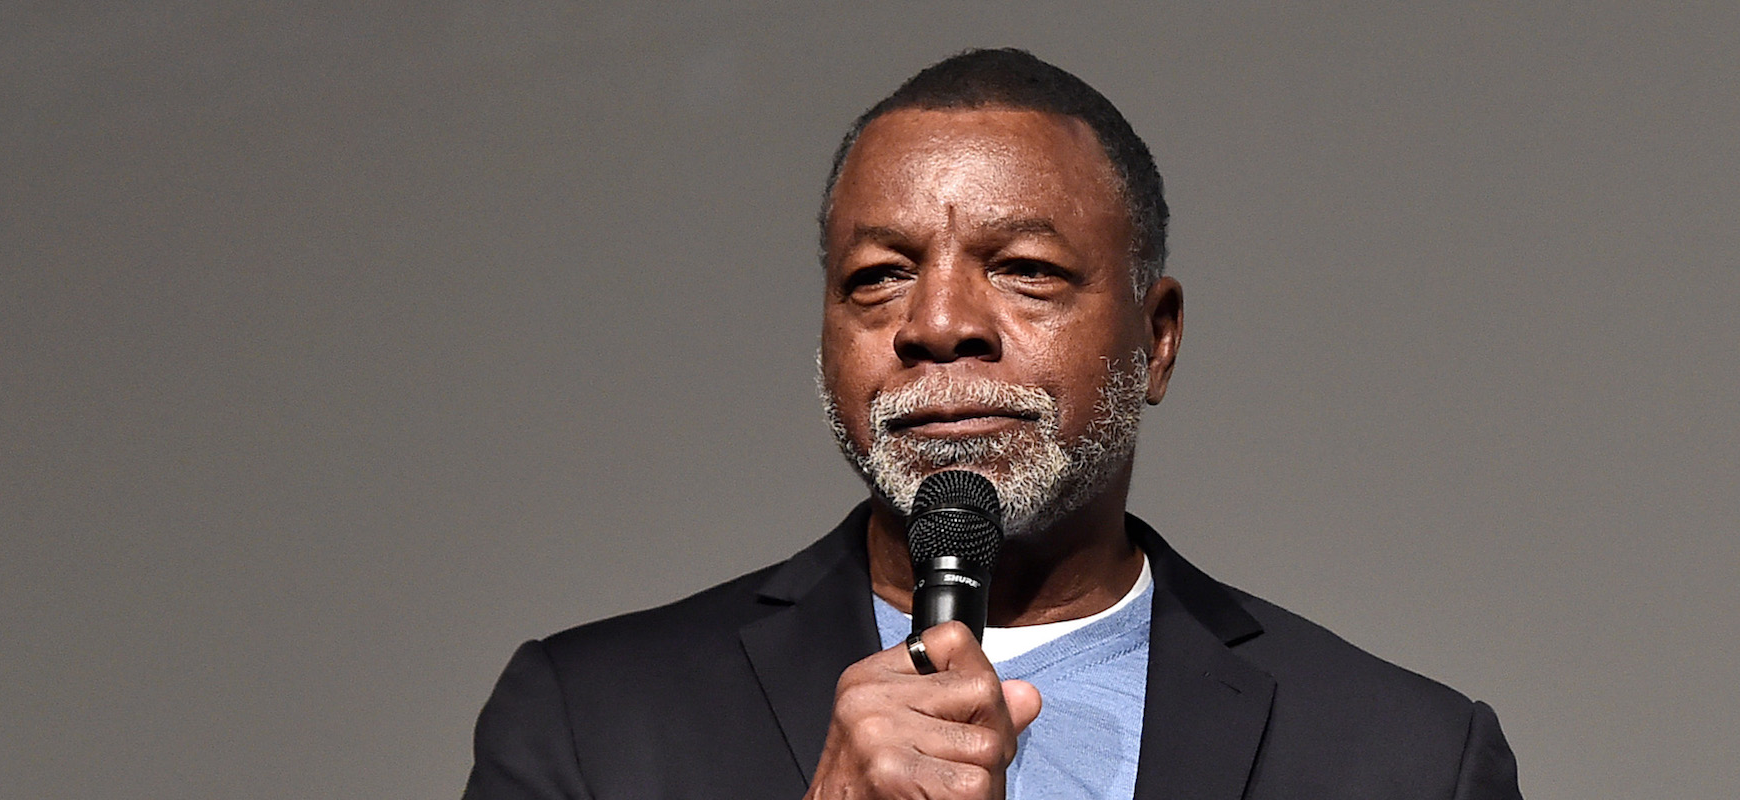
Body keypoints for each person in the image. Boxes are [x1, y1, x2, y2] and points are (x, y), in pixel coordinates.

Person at [464, 48, 1521, 800]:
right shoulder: (590, 722)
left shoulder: (1405, 758)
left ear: (1155, 339)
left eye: (1023, 270)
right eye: (877, 276)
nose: (936, 324)